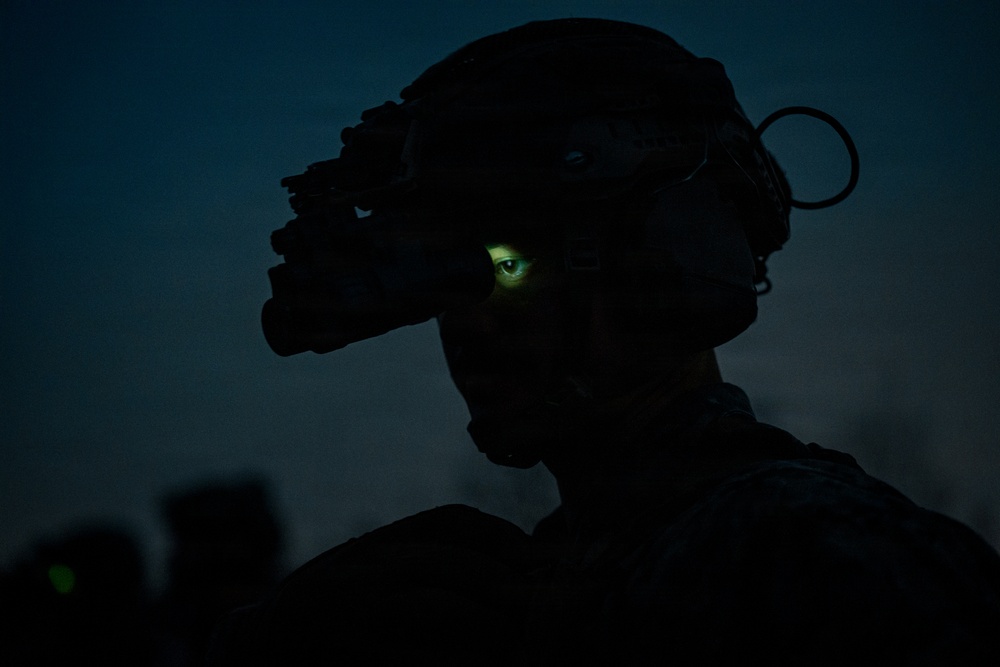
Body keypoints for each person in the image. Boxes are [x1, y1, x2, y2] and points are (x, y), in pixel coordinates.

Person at [212, 18, 1000, 665]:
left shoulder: (809, 552)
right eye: (446, 287)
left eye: (507, 267)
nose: (470, 324)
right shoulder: (546, 578)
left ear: (658, 257)